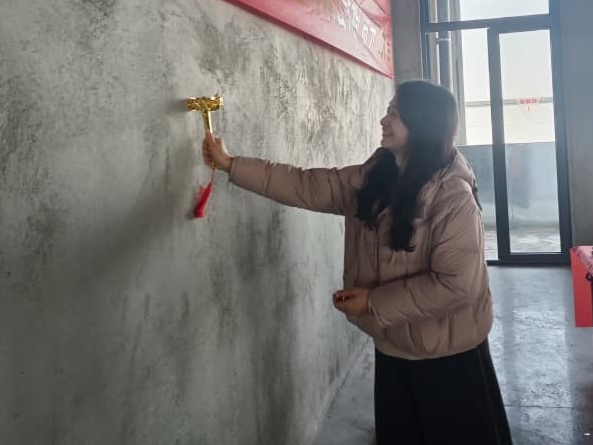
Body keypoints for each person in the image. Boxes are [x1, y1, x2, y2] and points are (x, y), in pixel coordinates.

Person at [203, 79, 512, 445]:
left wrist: (373, 302)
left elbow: (456, 286)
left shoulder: (452, 195)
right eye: (388, 110)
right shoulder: (378, 174)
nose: (384, 120)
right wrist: (231, 164)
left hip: (447, 358)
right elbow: (306, 185)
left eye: (395, 113)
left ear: (422, 124)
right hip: (393, 346)